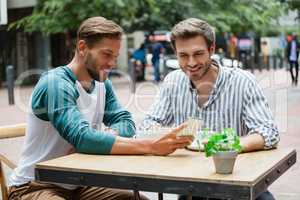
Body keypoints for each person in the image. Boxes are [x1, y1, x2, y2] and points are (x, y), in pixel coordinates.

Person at [8, 16, 193, 200]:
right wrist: (151, 146)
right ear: (82, 47)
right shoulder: (55, 84)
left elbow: (126, 123)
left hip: (79, 185)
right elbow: (82, 138)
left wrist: (100, 140)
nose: (112, 64)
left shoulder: (102, 83)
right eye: (106, 54)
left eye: (115, 56)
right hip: (33, 185)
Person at [140, 18, 279, 200]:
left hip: (237, 183)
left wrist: (229, 146)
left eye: (198, 54)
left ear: (211, 49)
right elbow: (147, 126)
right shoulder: (172, 81)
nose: (191, 63)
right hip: (192, 186)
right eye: (183, 55)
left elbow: (269, 132)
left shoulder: (242, 81)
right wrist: (171, 136)